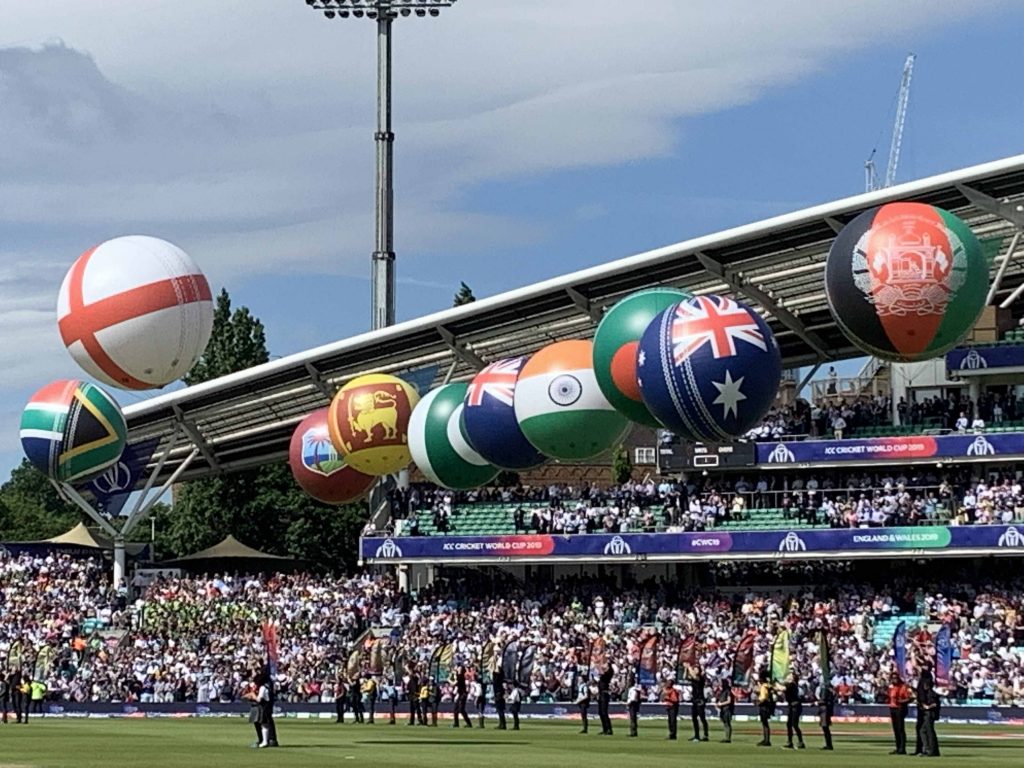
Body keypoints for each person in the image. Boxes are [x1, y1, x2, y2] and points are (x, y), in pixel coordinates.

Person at [887, 672, 913, 755]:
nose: (894, 680)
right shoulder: (892, 687)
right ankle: (898, 747)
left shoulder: (903, 687)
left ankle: (902, 748)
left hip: (900, 709)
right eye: (893, 678)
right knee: (895, 729)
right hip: (893, 708)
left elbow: (910, 698)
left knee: (900, 729)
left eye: (896, 678)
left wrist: (901, 701)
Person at [782, 672, 805, 749]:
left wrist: (774, 684)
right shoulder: (790, 685)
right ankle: (790, 742)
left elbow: (782, 688)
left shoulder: (792, 684)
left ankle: (801, 742)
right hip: (792, 706)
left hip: (795, 706)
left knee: (794, 724)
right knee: (789, 724)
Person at [918, 677, 941, 757]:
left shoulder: (931, 693)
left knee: (929, 732)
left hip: (929, 714)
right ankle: (928, 749)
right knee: (923, 731)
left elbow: (935, 704)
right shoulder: (929, 693)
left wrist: (927, 706)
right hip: (928, 714)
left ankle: (930, 750)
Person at [914, 666, 934, 756]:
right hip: (922, 708)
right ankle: (924, 749)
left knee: (926, 730)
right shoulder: (924, 681)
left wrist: (925, 705)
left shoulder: (925, 681)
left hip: (926, 710)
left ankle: (928, 749)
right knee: (923, 730)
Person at [687, 665, 709, 742]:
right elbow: (686, 677)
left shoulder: (701, 678)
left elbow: (695, 677)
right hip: (695, 700)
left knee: (702, 718)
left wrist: (689, 667)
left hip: (700, 700)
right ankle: (696, 735)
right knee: (694, 718)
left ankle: (706, 735)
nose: (694, 670)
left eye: (696, 669)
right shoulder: (693, 678)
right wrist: (686, 669)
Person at [755, 671, 774, 747]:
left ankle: (766, 740)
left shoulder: (763, 686)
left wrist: (758, 703)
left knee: (764, 723)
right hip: (768, 706)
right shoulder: (768, 686)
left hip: (764, 706)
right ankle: (766, 739)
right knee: (765, 723)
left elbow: (763, 698)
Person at [715, 678, 734, 744]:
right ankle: (726, 737)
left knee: (727, 724)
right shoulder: (722, 692)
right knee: (725, 723)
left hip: (727, 709)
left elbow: (729, 701)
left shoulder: (728, 691)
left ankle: (728, 738)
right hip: (723, 709)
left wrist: (721, 704)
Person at [817, 683, 835, 751]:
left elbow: (823, 700)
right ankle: (828, 744)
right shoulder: (831, 692)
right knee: (825, 728)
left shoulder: (826, 691)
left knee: (825, 727)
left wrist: (816, 703)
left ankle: (829, 745)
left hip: (825, 711)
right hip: (826, 710)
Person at [597, 663, 613, 735]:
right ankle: (605, 728)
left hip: (604, 694)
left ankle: (608, 729)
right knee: (600, 712)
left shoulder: (608, 674)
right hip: (601, 694)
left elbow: (602, 672)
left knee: (604, 712)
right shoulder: (604, 675)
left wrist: (599, 666)